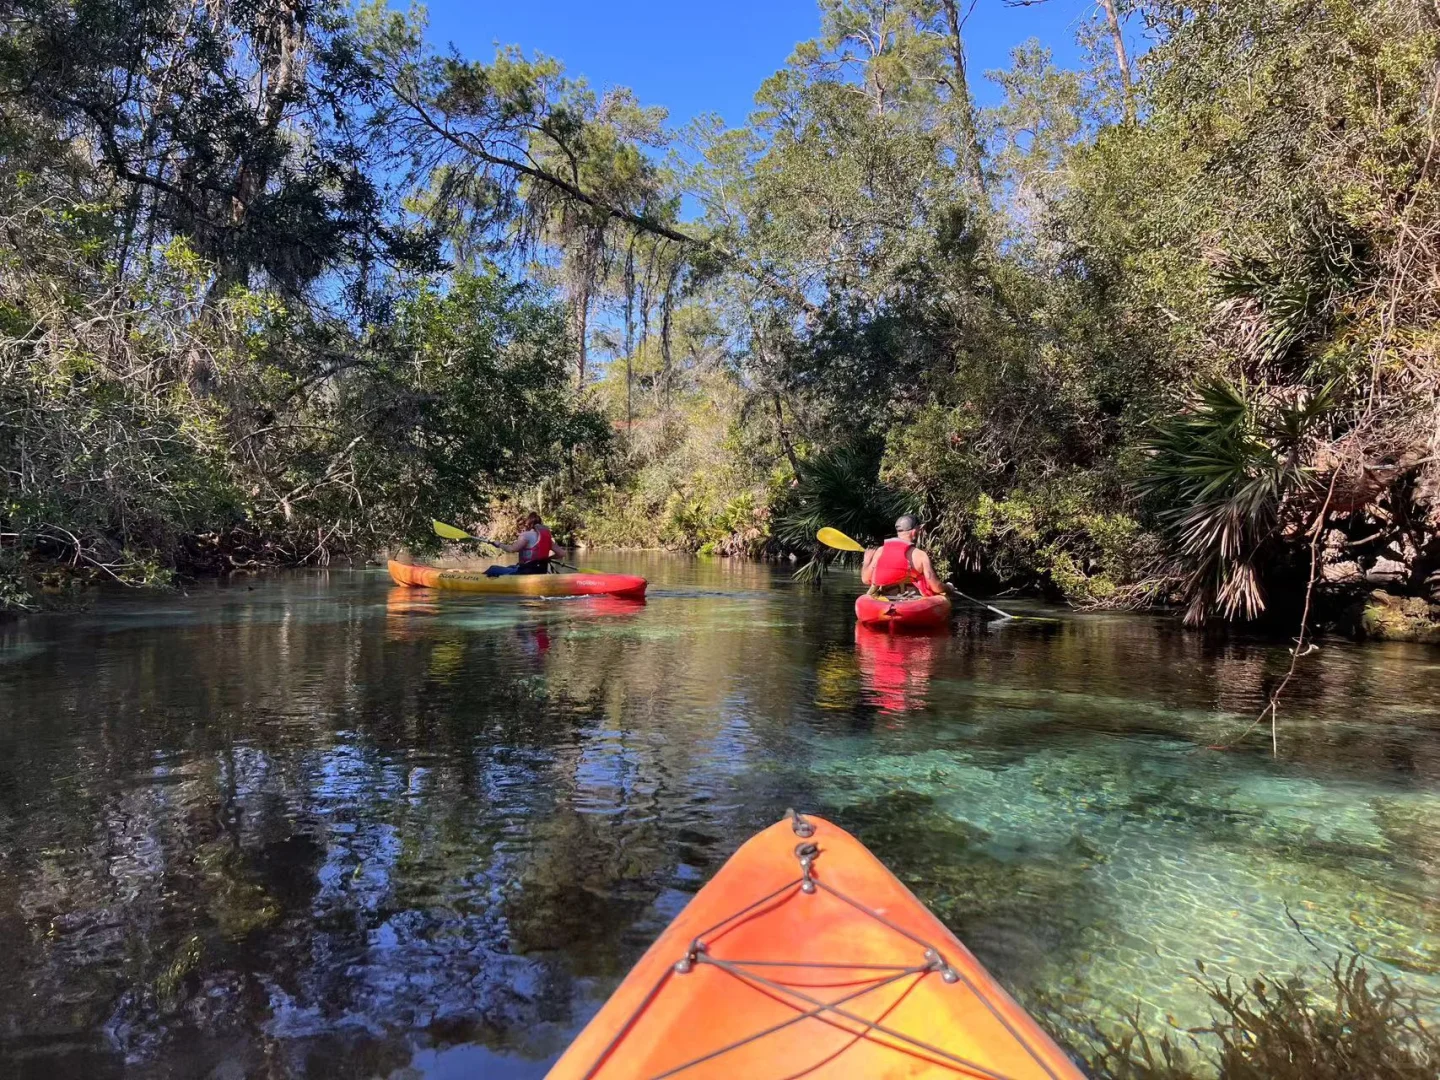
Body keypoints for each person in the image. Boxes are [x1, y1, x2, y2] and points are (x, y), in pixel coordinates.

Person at [860, 515, 955, 598]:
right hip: (914, 603)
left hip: (886, 601)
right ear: (914, 531)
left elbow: (866, 579)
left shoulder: (881, 551)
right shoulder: (920, 555)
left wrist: (867, 561)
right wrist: (949, 587)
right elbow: (936, 587)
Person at [483, 512, 564, 576]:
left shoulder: (526, 535)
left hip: (526, 572)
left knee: (492, 569)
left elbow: (511, 549)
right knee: (511, 567)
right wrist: (546, 559)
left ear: (529, 524)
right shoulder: (546, 538)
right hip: (541, 571)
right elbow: (561, 553)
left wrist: (499, 544)